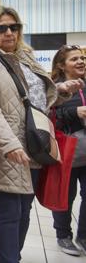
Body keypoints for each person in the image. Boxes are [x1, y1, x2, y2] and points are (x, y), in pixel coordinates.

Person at [0, 5, 83, 263]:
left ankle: (12, 258)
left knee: (25, 210)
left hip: (35, 144)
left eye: (14, 27)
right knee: (9, 211)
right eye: (1, 28)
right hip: (6, 148)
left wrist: (61, 89)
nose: (9, 33)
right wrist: (8, 143)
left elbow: (35, 101)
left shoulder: (26, 59)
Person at [51, 45, 86, 256]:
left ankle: (83, 236)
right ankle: (63, 235)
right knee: (66, 195)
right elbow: (50, 115)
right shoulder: (56, 88)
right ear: (62, 65)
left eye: (82, 58)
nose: (81, 62)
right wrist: (75, 112)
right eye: (74, 59)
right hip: (68, 150)